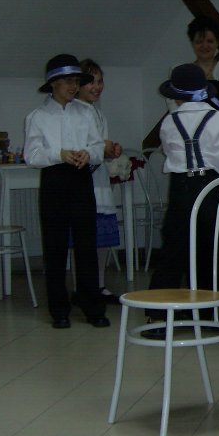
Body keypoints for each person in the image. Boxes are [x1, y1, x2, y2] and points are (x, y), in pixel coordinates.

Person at [146, 64, 219, 331]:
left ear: (176, 96)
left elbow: (167, 150)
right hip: (213, 187)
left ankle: (159, 317)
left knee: (174, 249)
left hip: (180, 188)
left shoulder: (169, 122)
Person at [24, 53, 109, 329]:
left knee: (86, 244)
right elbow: (32, 155)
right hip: (54, 180)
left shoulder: (85, 113)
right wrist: (58, 154)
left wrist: (88, 154)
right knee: (55, 246)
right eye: (68, 81)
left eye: (76, 81)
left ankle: (92, 306)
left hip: (81, 179)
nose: (74, 87)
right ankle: (59, 309)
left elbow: (98, 147)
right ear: (53, 83)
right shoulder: (37, 117)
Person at [75, 58, 123, 304]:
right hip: (84, 180)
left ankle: (99, 284)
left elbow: (99, 147)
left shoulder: (98, 113)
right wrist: (101, 148)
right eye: (90, 82)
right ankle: (84, 286)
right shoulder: (74, 111)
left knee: (101, 238)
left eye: (100, 81)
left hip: (99, 179)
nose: (96, 87)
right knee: (85, 237)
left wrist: (111, 150)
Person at [186, 16, 219, 119]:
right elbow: (176, 107)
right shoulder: (182, 72)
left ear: (217, 42)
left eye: (210, 41)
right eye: (199, 42)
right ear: (192, 43)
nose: (204, 46)